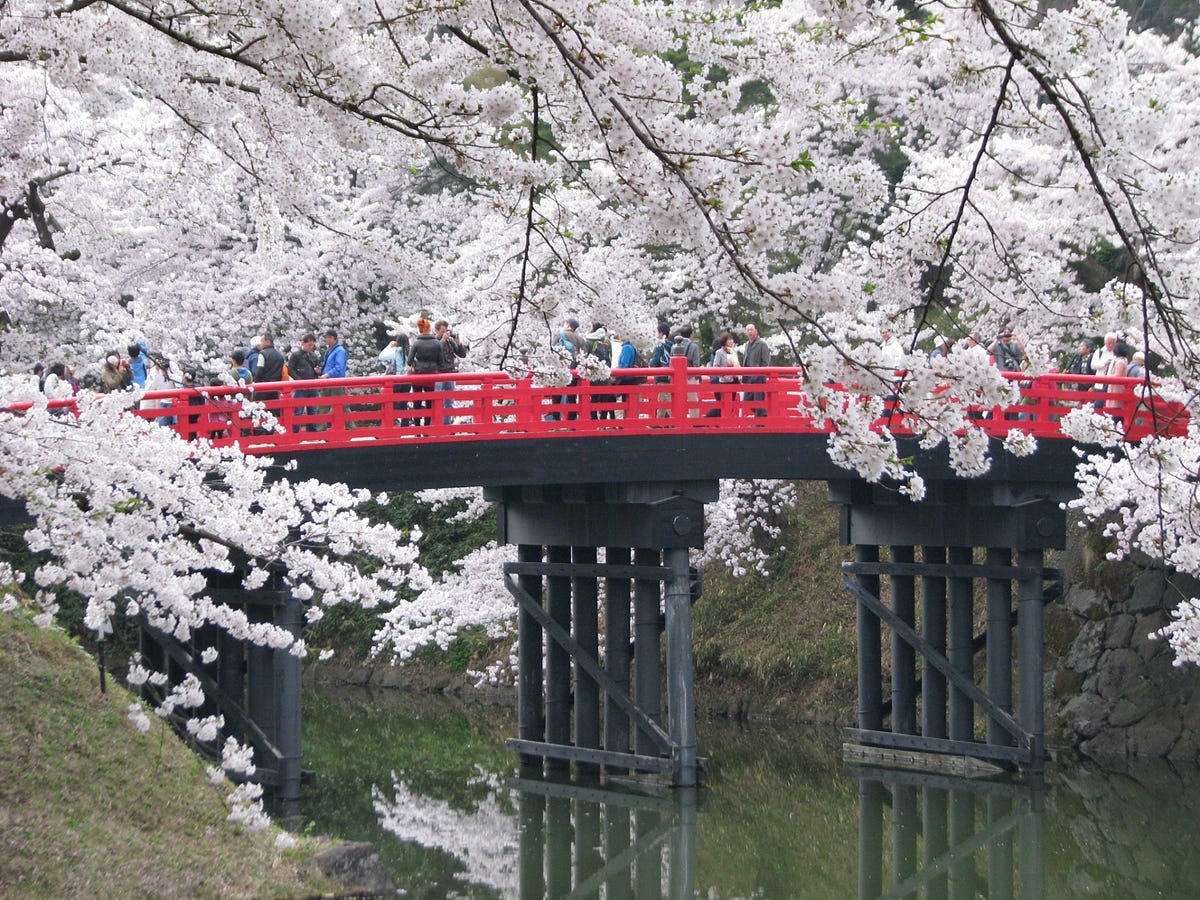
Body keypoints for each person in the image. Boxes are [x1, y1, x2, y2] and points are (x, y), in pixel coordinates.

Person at [435, 320, 468, 425]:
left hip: (450, 373)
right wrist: (443, 340)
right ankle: (437, 424)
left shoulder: (450, 342)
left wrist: (458, 342)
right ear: (437, 330)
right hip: (439, 374)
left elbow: (462, 354)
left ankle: (447, 424)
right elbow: (435, 351)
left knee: (449, 402)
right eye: (443, 331)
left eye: (447, 331)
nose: (446, 333)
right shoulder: (434, 341)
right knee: (437, 401)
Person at [287, 333, 321, 432]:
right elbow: (290, 369)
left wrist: (318, 371)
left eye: (312, 345)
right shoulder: (296, 355)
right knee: (298, 410)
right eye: (309, 345)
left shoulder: (314, 356)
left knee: (313, 410)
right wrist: (298, 381)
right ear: (303, 343)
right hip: (300, 386)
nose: (311, 347)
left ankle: (312, 432)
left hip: (312, 385)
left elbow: (318, 368)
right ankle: (295, 431)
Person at [378, 330, 411, 426]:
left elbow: (381, 357)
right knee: (403, 403)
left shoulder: (396, 350)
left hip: (397, 380)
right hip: (407, 381)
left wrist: (389, 346)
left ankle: (387, 424)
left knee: (389, 403)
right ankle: (405, 425)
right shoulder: (409, 350)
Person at [704, 331, 740, 417]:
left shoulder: (733, 351)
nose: (731, 341)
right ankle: (708, 419)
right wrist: (723, 371)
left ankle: (724, 422)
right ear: (724, 341)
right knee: (722, 404)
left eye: (732, 340)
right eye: (729, 340)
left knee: (731, 404)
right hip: (724, 380)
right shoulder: (719, 352)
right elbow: (715, 366)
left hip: (733, 380)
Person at [584, 324, 615, 419]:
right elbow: (610, 356)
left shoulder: (589, 340)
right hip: (605, 372)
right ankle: (603, 420)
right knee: (604, 397)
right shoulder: (607, 341)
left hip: (594, 373)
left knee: (594, 397)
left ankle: (593, 419)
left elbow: (585, 357)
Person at [740, 323, 771, 416]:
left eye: (751, 329)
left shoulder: (762, 344)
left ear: (756, 331)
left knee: (758, 402)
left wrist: (760, 372)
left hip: (758, 378)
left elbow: (766, 362)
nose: (749, 332)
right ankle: (763, 416)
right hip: (748, 378)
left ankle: (760, 422)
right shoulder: (747, 345)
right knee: (747, 401)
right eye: (748, 330)